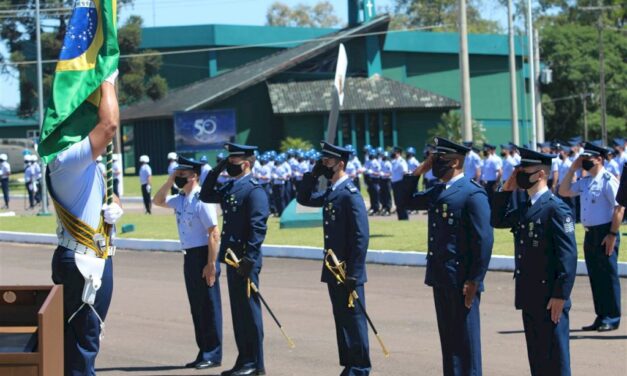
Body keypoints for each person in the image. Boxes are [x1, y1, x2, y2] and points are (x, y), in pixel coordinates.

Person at [48, 76, 123, 375]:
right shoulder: (65, 158)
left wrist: (115, 205)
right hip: (83, 262)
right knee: (83, 342)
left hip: (94, 257)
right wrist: (106, 81)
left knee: (84, 340)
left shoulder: (84, 164)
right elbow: (109, 126)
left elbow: (104, 194)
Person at [403, 137, 493, 376]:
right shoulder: (439, 191)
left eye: (438, 159)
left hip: (462, 280)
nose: (434, 164)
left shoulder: (472, 193)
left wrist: (475, 279)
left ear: (454, 162)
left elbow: (483, 241)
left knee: (466, 342)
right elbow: (405, 201)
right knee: (449, 342)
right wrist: (419, 170)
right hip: (441, 276)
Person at [491, 147, 577, 376]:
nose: (519, 174)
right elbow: (497, 220)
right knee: (537, 359)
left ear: (540, 174)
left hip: (550, 297)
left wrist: (561, 294)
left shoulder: (556, 209)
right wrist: (505, 189)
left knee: (555, 360)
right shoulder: (526, 208)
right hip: (529, 295)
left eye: (523, 170)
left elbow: (568, 256)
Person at [297, 141, 371, 376]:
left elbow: (361, 237)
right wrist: (311, 174)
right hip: (334, 268)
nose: (324, 164)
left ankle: (360, 367)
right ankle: (350, 364)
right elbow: (304, 199)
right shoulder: (332, 192)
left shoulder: (350, 194)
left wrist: (355, 273)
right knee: (342, 318)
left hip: (348, 271)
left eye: (327, 161)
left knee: (354, 318)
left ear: (340, 163)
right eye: (323, 160)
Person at [200, 143, 269, 376]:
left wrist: (250, 258)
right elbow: (206, 194)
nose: (229, 166)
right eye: (227, 161)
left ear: (246, 163)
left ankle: (256, 364)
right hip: (232, 259)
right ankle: (244, 359)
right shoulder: (232, 187)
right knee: (239, 313)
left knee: (249, 312)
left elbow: (258, 228)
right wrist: (216, 170)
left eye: (233, 162)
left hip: (245, 260)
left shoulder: (254, 190)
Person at [153, 156, 223, 370]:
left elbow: (214, 233)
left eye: (182, 175)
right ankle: (203, 351)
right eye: (177, 174)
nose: (178, 178)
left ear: (194, 176)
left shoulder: (202, 199)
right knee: (197, 306)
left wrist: (211, 264)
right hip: (190, 256)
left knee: (209, 306)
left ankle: (213, 353)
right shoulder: (181, 199)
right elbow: (157, 201)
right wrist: (169, 180)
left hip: (204, 255)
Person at [559, 142, 623, 332]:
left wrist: (612, 234)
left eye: (588, 159)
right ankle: (601, 315)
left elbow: (619, 208)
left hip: (605, 233)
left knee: (608, 276)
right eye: (583, 159)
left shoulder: (607, 180)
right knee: (596, 276)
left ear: (599, 159)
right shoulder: (586, 181)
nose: (585, 162)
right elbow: (563, 190)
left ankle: (612, 317)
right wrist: (573, 168)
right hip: (590, 234)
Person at [391, 147, 409, 220]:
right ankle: (400, 217)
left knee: (401, 201)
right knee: (397, 202)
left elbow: (405, 172)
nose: (393, 154)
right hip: (395, 184)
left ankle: (404, 218)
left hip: (400, 183)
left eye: (394, 152)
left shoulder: (402, 161)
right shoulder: (394, 162)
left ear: (398, 153)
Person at [379, 151, 392, 216]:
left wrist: (384, 174)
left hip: (387, 180)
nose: (382, 157)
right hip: (382, 180)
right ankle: (384, 207)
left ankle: (388, 209)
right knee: (382, 194)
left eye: (383, 156)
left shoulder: (388, 163)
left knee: (387, 195)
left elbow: (390, 173)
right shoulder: (381, 163)